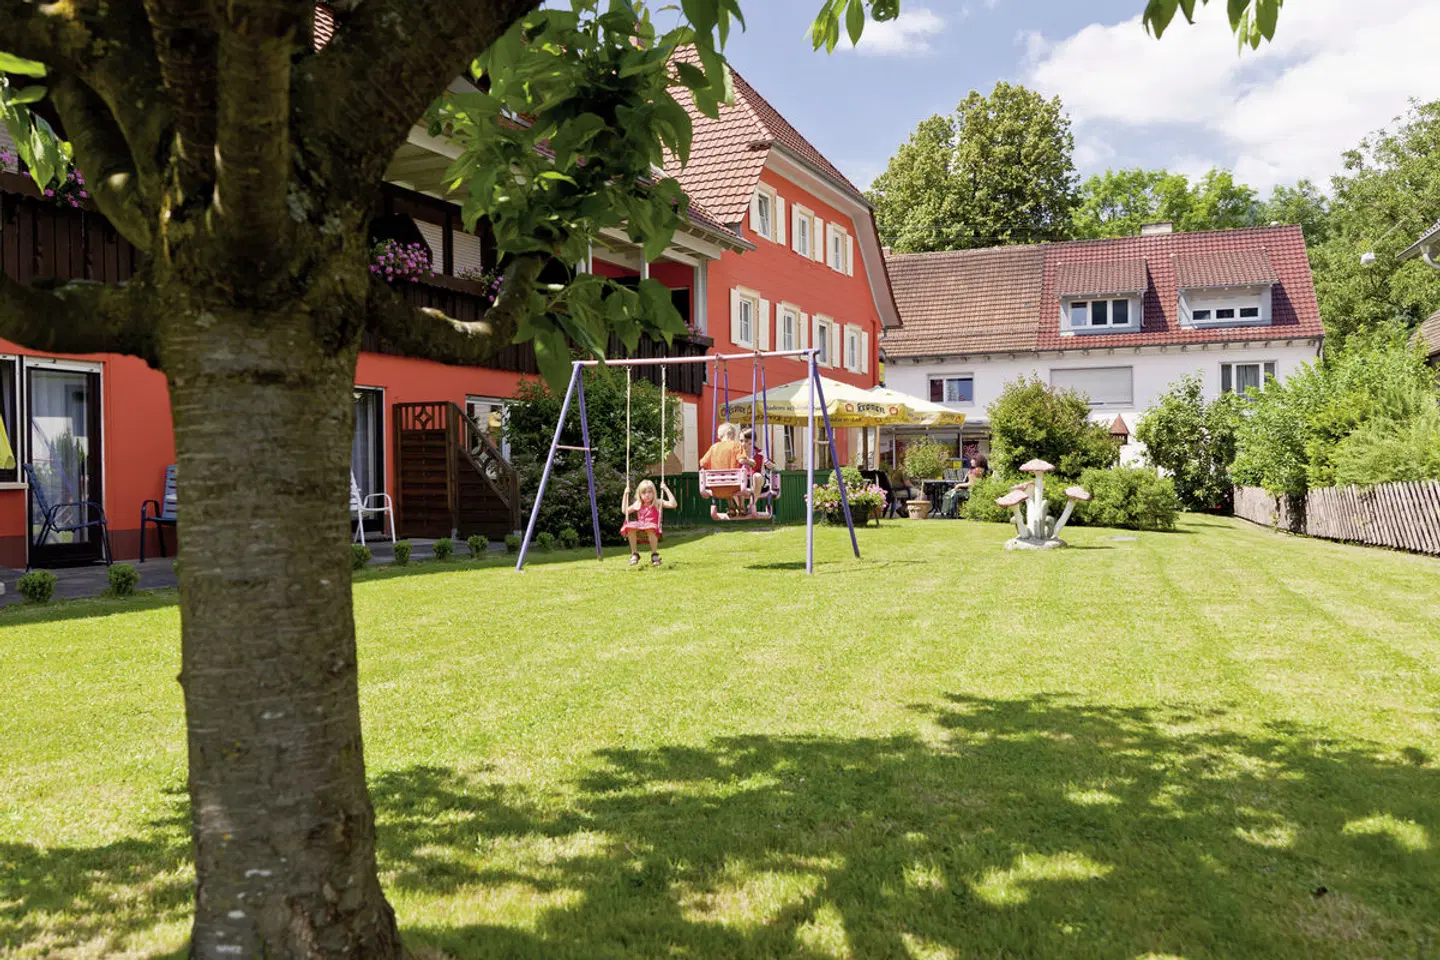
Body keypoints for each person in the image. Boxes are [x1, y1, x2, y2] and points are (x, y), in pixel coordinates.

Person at [620, 479, 677, 566]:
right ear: (639, 494)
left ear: (653, 493)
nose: (647, 495)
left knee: (650, 528)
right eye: (644, 493)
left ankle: (654, 554)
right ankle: (635, 554)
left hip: (652, 528)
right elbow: (625, 511)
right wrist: (625, 494)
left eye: (650, 492)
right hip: (641, 527)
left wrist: (665, 488)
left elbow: (673, 504)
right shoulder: (638, 504)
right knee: (630, 527)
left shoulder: (657, 502)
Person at [699, 422, 747, 513]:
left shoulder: (714, 447)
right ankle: (741, 507)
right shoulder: (736, 445)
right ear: (731, 434)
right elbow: (741, 460)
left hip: (716, 488)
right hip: (734, 487)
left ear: (721, 435)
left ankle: (731, 507)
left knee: (725, 480)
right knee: (739, 479)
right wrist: (751, 462)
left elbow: (702, 463)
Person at [739, 426, 770, 511]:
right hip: (743, 483)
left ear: (753, 441)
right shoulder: (738, 455)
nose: (743, 444)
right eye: (741, 441)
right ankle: (741, 507)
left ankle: (751, 505)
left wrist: (768, 464)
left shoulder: (762, 454)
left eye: (746, 441)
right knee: (738, 478)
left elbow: (768, 467)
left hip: (759, 482)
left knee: (756, 476)